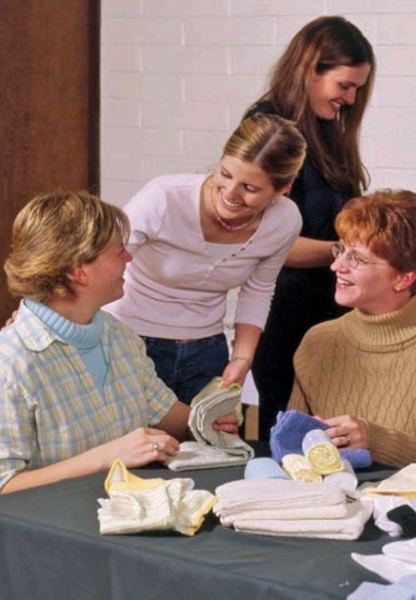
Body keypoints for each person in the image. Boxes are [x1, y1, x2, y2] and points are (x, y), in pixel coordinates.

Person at [0, 191, 240, 494]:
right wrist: (106, 457)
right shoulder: (10, 364)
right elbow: (4, 483)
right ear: (79, 272)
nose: (129, 257)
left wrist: (209, 421)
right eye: (119, 251)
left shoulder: (119, 337)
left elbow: (167, 414)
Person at [106, 114, 306, 404]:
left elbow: (258, 290)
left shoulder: (284, 221)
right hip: (128, 340)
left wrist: (242, 359)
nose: (230, 193)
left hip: (207, 351)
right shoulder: (164, 197)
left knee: (206, 434)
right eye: (225, 174)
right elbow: (101, 260)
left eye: (250, 188)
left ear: (282, 190)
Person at [287, 190, 416, 469]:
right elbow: (292, 450)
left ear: (403, 278)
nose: (336, 265)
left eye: (356, 258)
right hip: (328, 494)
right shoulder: (318, 340)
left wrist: (376, 441)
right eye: (341, 250)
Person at [243, 15, 376, 440]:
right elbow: (266, 242)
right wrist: (346, 253)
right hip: (286, 320)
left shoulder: (324, 131)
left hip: (331, 318)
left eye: (357, 89)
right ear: (309, 70)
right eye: (344, 86)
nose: (350, 99)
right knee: (287, 441)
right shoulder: (268, 129)